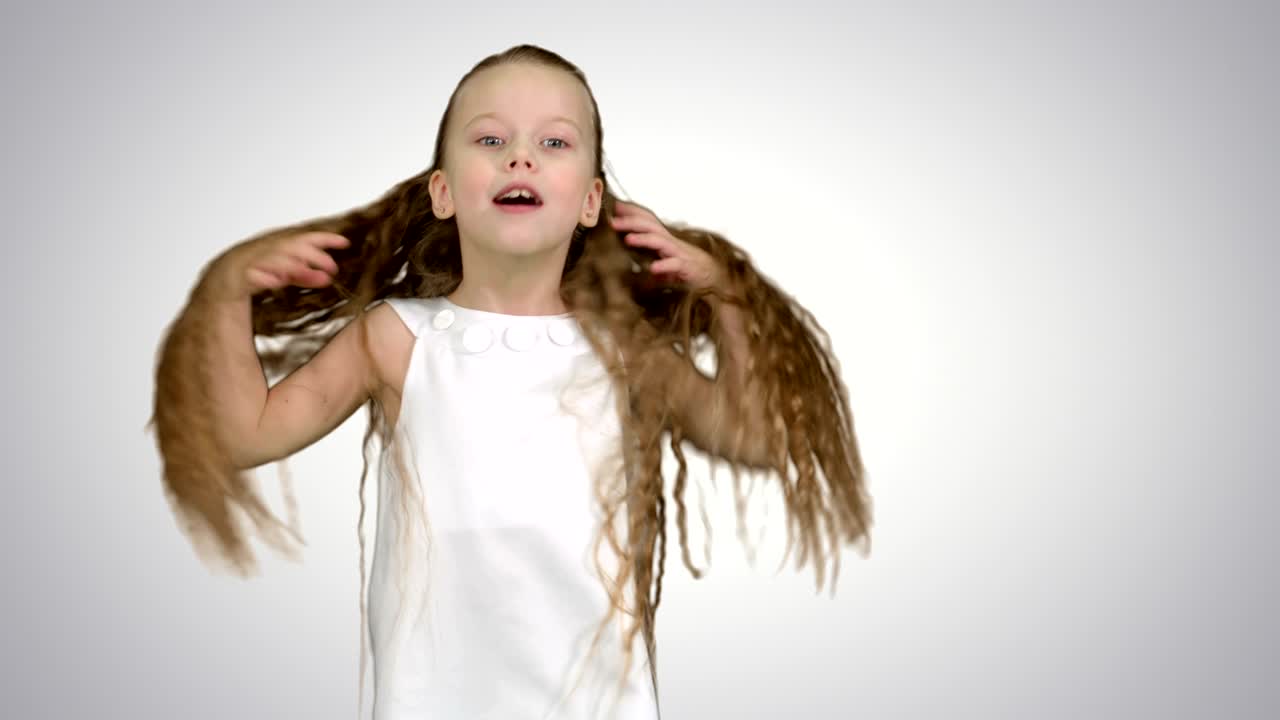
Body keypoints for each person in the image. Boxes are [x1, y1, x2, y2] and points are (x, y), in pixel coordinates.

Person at [149, 44, 872, 720]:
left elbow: (752, 436)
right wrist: (224, 292)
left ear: (590, 202)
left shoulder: (623, 351)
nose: (520, 157)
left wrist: (729, 292)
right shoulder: (398, 337)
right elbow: (244, 434)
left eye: (553, 143)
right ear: (443, 192)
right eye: (490, 140)